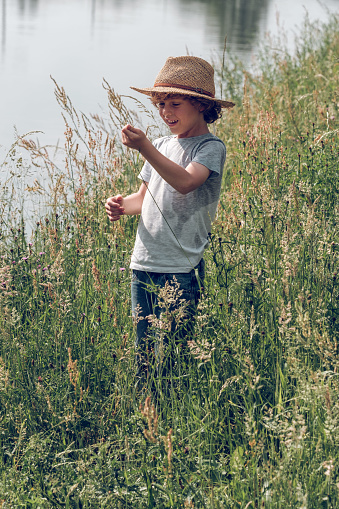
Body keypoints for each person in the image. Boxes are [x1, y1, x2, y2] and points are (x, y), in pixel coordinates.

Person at [105, 56, 234, 380]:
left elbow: (187, 182)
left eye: (174, 103)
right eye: (160, 104)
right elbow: (144, 199)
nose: (165, 112)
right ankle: (147, 413)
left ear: (203, 105)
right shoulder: (162, 145)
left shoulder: (209, 147)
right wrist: (122, 205)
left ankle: (174, 412)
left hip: (182, 268)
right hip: (144, 263)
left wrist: (145, 147)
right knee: (144, 353)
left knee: (177, 353)